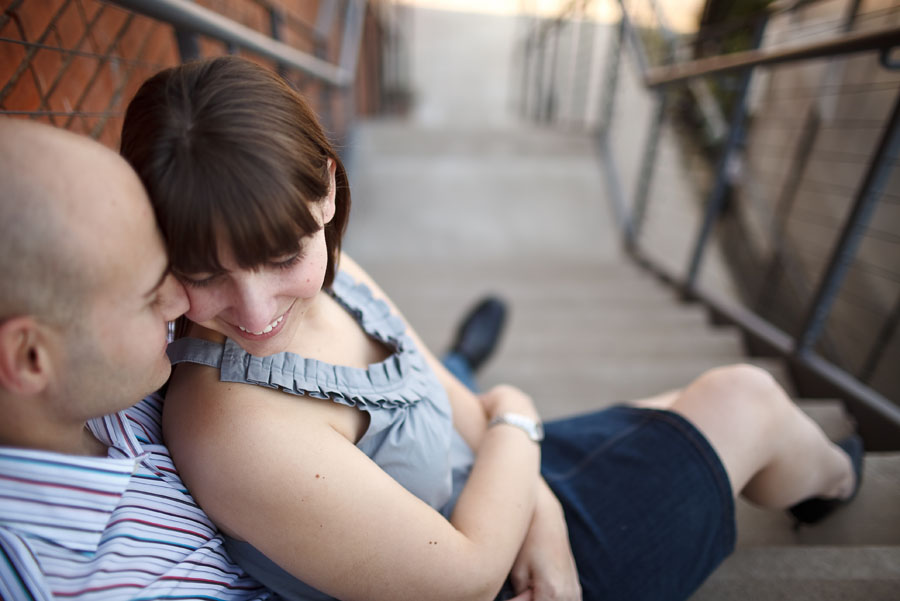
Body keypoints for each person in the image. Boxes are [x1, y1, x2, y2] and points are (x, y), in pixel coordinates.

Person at [119, 56, 863, 601]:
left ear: (326, 190)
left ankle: (475, 360)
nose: (253, 313)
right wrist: (520, 409)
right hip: (519, 581)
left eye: (280, 257)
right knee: (747, 395)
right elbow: (469, 575)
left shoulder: (338, 269)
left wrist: (529, 485)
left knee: (682, 405)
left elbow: (468, 418)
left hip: (505, 493)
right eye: (203, 272)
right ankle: (835, 479)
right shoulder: (232, 428)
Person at [0, 118, 270, 601]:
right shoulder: (54, 583)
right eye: (149, 297)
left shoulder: (104, 372)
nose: (182, 303)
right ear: (32, 357)